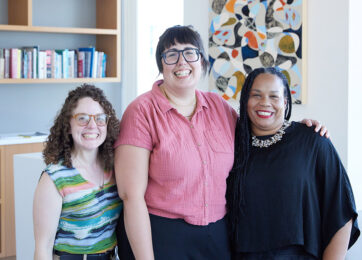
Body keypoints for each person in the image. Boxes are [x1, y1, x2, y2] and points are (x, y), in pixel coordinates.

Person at [114, 25, 327, 260]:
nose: (181, 62)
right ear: (161, 65)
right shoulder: (141, 111)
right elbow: (131, 196)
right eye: (171, 55)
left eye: (190, 53)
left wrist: (297, 129)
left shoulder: (218, 106)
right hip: (161, 235)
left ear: (202, 61)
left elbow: (257, 133)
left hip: (216, 237)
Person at [226, 67, 360, 260]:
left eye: (274, 96)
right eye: (256, 95)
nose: (265, 103)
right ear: (245, 100)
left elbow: (342, 212)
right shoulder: (230, 145)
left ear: (285, 102)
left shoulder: (313, 141)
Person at [33, 84, 122, 260]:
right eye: (82, 118)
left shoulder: (114, 167)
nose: (92, 125)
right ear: (68, 124)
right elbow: (43, 246)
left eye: (100, 118)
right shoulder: (54, 178)